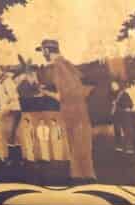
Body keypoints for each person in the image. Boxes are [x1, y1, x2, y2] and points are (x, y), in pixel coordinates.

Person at [38, 40, 95, 180]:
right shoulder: (67, 64)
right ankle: (85, 175)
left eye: (43, 51)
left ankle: (80, 177)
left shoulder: (59, 67)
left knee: (76, 145)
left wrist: (44, 92)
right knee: (82, 144)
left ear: (47, 50)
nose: (42, 54)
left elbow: (63, 96)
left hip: (71, 111)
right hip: (80, 110)